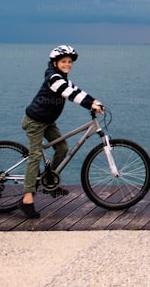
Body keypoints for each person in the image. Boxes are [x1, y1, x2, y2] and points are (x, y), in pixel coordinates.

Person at [20, 45, 103, 219]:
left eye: (69, 62)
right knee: (35, 155)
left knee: (62, 148)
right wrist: (89, 105)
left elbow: (76, 90)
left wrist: (94, 100)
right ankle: (27, 200)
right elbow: (69, 94)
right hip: (35, 122)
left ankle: (49, 179)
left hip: (48, 122)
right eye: (64, 61)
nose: (67, 64)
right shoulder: (53, 78)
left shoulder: (63, 78)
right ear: (55, 63)